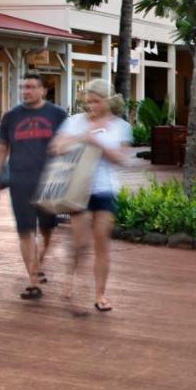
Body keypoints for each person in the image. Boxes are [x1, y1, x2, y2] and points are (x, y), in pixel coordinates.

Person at [49, 79, 131, 313]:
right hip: (79, 189)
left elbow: (121, 158)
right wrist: (82, 137)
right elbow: (56, 147)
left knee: (101, 243)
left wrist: (99, 143)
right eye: (89, 102)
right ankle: (70, 276)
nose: (92, 106)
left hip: (105, 189)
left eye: (96, 101)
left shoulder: (120, 126)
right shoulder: (74, 122)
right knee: (79, 242)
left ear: (108, 101)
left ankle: (100, 294)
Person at [0, 73, 68, 300]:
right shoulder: (11, 117)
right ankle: (33, 280)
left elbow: (68, 145)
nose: (27, 91)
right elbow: (1, 148)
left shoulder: (58, 115)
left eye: (32, 87)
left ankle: (38, 262)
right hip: (20, 181)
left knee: (47, 229)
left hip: (49, 182)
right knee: (25, 231)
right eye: (24, 87)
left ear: (43, 90)